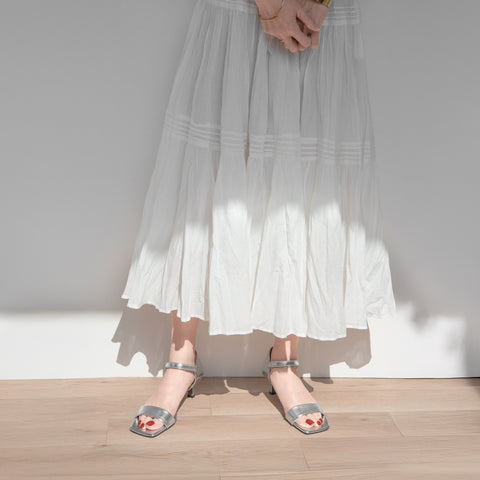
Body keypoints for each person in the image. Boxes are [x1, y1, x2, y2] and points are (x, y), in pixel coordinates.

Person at [122, 0, 396, 437]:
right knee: (208, 171)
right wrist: (271, 6)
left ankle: (284, 360)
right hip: (237, 9)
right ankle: (181, 358)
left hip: (319, 13)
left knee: (303, 179)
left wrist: (318, 2)